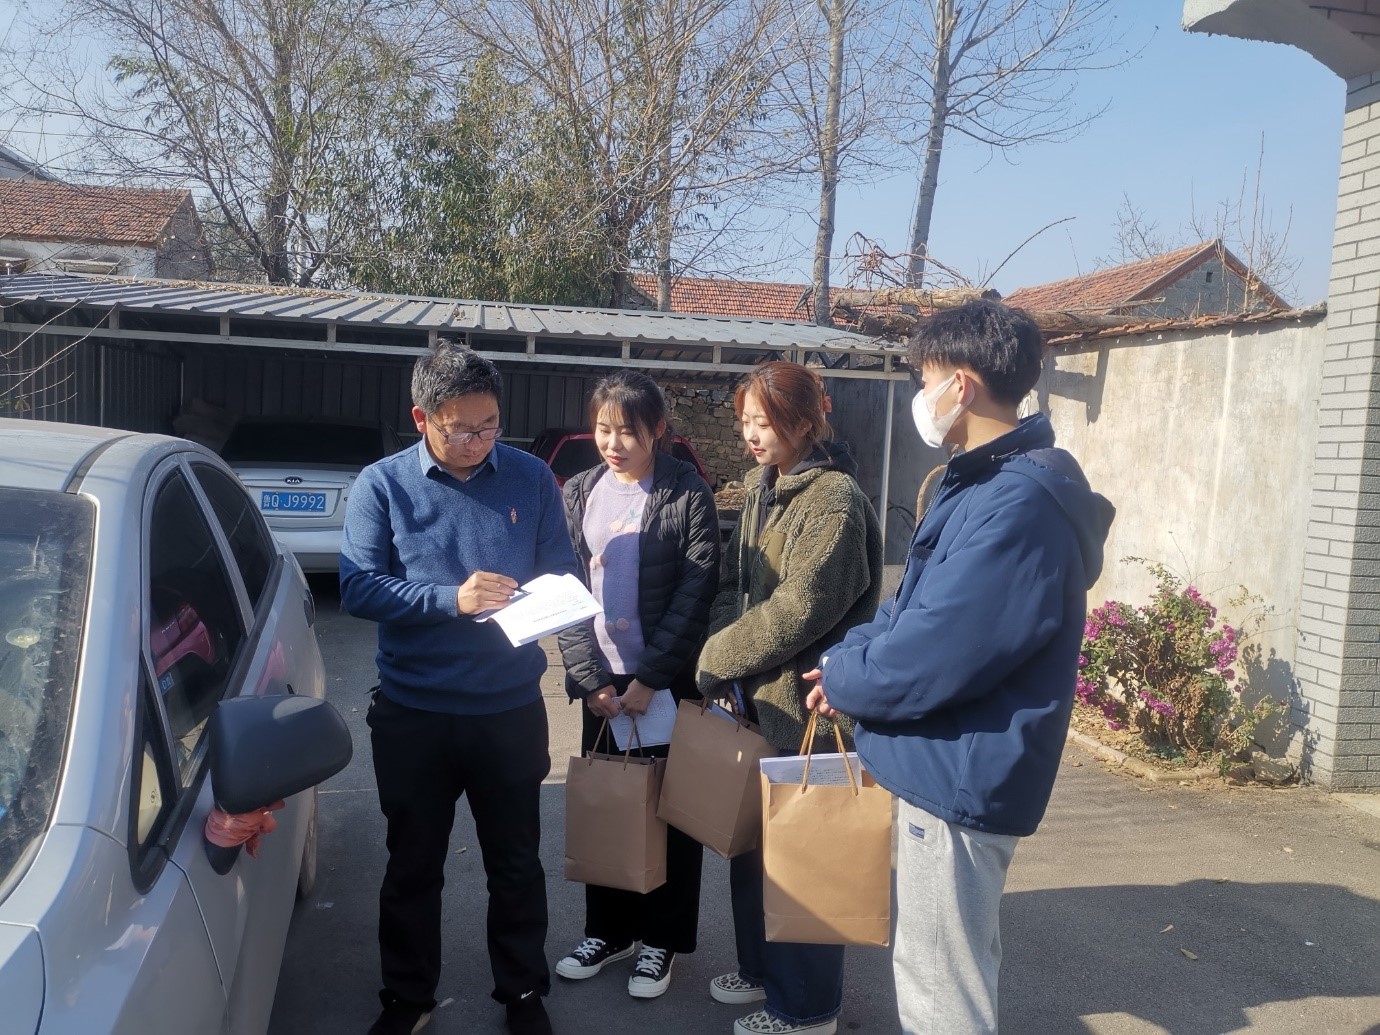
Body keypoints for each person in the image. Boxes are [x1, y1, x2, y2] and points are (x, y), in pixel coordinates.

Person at [805, 300, 1115, 1034]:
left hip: (960, 775)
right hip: (946, 765)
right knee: (943, 969)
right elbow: (908, 608)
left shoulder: (1019, 503)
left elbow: (938, 651)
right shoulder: (979, 481)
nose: (922, 395)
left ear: (962, 386)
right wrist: (847, 658)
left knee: (942, 989)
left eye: (926, 379)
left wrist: (845, 677)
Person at [341, 341, 576, 1035]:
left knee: (516, 862)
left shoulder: (531, 477)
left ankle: (522, 993)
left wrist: (549, 601)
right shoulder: (382, 485)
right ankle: (408, 997)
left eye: (490, 426)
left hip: (509, 710)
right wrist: (453, 600)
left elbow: (560, 568)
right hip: (414, 712)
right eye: (461, 429)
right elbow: (358, 586)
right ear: (422, 418)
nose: (478, 441)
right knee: (413, 864)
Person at [695, 360, 883, 1035]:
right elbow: (732, 586)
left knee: (806, 858)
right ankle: (759, 969)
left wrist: (714, 659)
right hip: (755, 701)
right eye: (744, 421)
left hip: (809, 707)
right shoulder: (760, 487)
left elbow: (800, 609)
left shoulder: (834, 500)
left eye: (764, 423)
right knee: (753, 849)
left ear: (804, 423)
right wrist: (726, 662)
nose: (751, 435)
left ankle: (806, 1009)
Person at [553, 369, 720, 999]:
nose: (613, 443)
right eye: (603, 428)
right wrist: (590, 679)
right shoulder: (579, 490)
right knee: (609, 804)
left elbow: (695, 591)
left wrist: (651, 678)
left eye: (627, 430)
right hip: (601, 683)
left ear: (657, 429)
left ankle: (661, 940)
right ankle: (609, 930)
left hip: (663, 683)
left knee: (670, 812)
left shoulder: (686, 491)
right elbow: (563, 590)